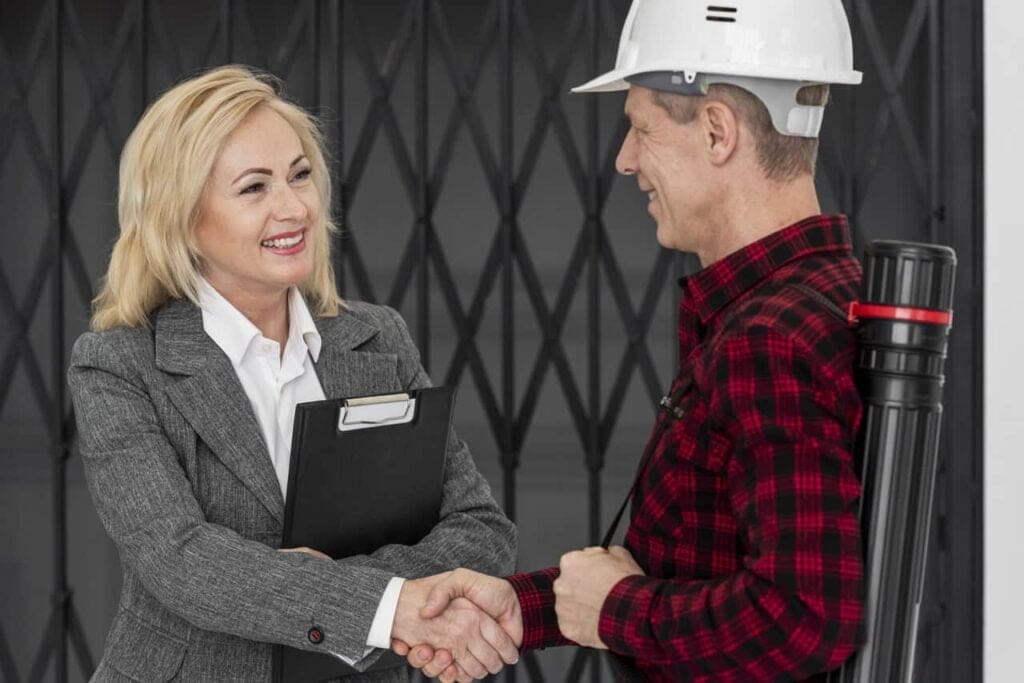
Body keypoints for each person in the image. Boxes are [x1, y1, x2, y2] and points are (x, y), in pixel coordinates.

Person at [395, 0, 867, 680]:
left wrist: (617, 608)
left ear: (716, 131)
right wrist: (527, 608)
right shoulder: (817, 295)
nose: (624, 159)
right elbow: (698, 568)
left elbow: (802, 615)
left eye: (641, 128)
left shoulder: (769, 340)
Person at [68, 65, 519, 682]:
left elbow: (480, 528)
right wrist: (388, 605)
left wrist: (360, 602)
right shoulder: (120, 365)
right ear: (182, 216)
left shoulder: (375, 336)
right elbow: (178, 559)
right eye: (254, 188)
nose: (293, 207)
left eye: (300, 175)